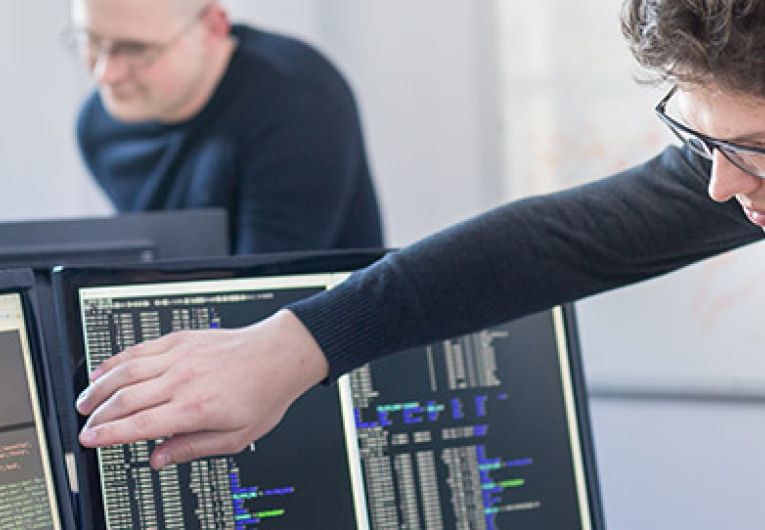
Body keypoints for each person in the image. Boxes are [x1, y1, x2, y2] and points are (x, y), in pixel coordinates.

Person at [76, 0, 765, 470]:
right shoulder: (734, 173)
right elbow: (564, 240)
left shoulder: (288, 97)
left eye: (753, 148)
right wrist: (289, 347)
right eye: (701, 142)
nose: (719, 189)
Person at [72, 0, 383, 253]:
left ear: (212, 27)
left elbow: (268, 292)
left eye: (137, 50)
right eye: (92, 40)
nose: (105, 73)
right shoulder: (99, 126)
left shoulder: (296, 99)